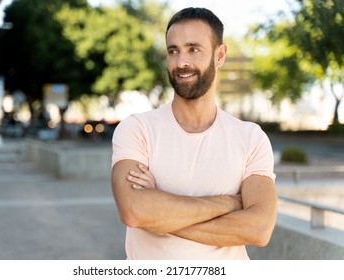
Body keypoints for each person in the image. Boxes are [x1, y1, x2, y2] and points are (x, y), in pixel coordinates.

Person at [111, 7, 277, 260]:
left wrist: (161, 214)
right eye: (173, 51)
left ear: (220, 55)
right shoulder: (137, 129)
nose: (181, 62)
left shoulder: (250, 138)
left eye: (193, 49)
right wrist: (230, 203)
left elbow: (259, 229)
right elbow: (134, 212)